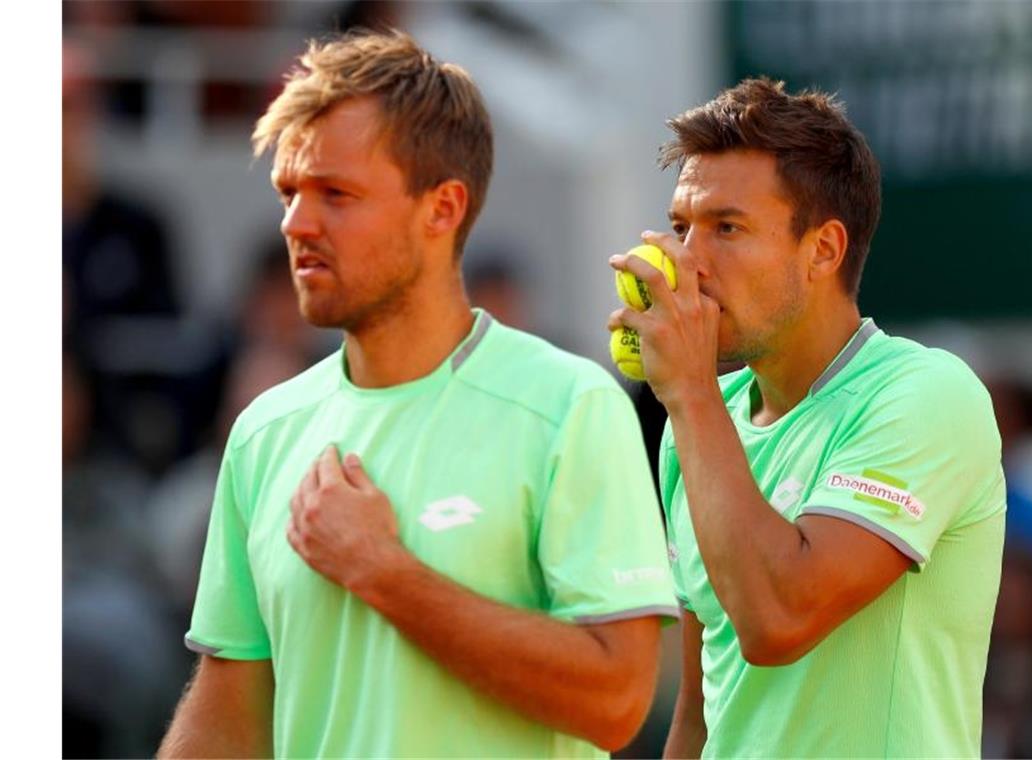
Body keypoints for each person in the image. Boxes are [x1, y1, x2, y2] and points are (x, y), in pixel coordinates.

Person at [159, 29, 677, 759]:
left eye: (336, 194)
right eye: (289, 193)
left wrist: (386, 573)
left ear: (442, 209)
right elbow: (227, 715)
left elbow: (617, 699)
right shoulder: (264, 430)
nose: (296, 224)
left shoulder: (572, 406)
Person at [608, 77, 1006, 758]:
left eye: (726, 229)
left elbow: (777, 620)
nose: (686, 265)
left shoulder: (927, 393)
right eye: (681, 229)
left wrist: (693, 394)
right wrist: (696, 402)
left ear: (823, 249)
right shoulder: (696, 421)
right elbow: (703, 714)